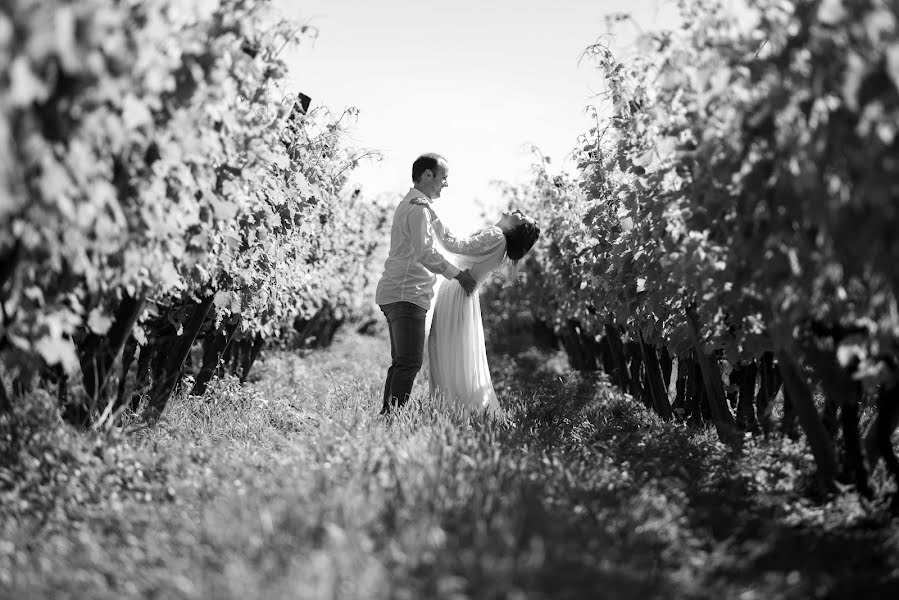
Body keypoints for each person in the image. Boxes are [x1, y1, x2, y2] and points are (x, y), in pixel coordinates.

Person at [412, 200, 540, 421]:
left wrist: (432, 216)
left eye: (522, 216)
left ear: (516, 229)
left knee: (444, 348)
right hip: (462, 295)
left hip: (457, 292)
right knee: (453, 351)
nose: (518, 210)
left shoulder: (496, 236)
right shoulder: (500, 246)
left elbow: (455, 246)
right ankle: (455, 408)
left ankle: (450, 407)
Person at [375, 153, 477, 415]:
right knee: (409, 362)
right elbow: (426, 253)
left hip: (401, 291)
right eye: (443, 177)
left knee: (402, 361)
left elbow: (444, 238)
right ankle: (390, 418)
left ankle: (387, 416)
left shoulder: (416, 205)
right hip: (406, 293)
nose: (445, 183)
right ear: (428, 175)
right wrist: (458, 274)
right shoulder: (418, 209)